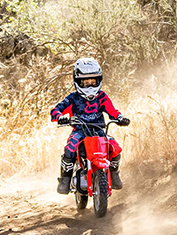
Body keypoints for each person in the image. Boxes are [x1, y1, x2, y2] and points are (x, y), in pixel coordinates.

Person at [51, 57, 130, 194]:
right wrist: (60, 117)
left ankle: (114, 173)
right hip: (80, 132)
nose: (90, 86)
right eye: (85, 82)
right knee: (70, 148)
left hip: (99, 131)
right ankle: (65, 180)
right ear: (77, 81)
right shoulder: (72, 98)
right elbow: (55, 110)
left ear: (99, 80)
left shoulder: (102, 97)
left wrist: (120, 118)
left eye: (93, 81)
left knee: (115, 147)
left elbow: (112, 111)